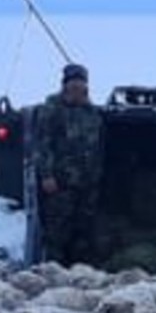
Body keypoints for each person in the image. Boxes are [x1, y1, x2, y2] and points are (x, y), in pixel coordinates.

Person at [32, 61, 104, 266]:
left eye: (80, 83)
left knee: (83, 231)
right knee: (57, 233)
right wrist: (47, 175)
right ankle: (54, 271)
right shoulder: (52, 110)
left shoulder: (92, 114)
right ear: (64, 85)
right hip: (60, 184)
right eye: (72, 83)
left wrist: (96, 177)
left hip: (87, 184)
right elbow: (42, 145)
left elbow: (99, 146)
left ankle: (80, 272)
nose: (76, 87)